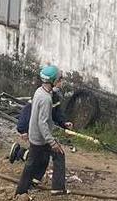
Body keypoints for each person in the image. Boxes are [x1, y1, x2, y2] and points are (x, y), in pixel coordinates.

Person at [15, 65, 68, 198]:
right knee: (56, 155)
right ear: (53, 81)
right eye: (60, 79)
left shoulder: (40, 91)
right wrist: (52, 141)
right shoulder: (45, 99)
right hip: (40, 138)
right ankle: (23, 191)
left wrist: (62, 123)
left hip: (37, 136)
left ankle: (30, 184)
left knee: (40, 160)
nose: (61, 81)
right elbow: (42, 123)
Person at [9, 79, 71, 168]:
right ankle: (19, 153)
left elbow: (57, 113)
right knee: (36, 156)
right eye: (59, 81)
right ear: (52, 82)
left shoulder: (54, 97)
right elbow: (28, 111)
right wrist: (23, 130)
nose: (61, 83)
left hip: (43, 132)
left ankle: (19, 153)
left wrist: (64, 123)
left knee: (38, 155)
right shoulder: (41, 95)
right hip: (35, 130)